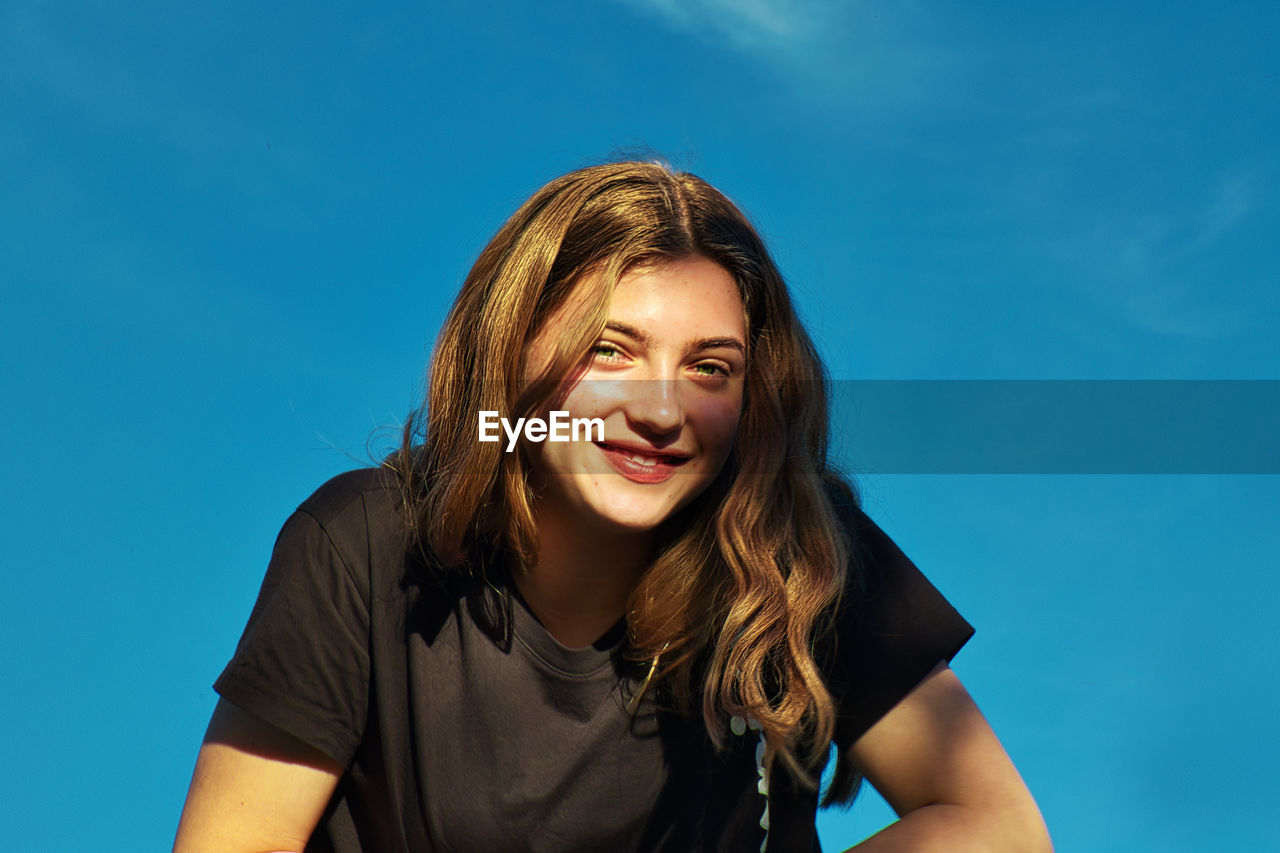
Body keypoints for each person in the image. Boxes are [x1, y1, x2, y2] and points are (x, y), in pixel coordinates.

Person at [173, 161, 1052, 852]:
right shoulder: (360, 543)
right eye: (611, 349)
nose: (661, 411)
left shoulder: (800, 547)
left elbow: (997, 825)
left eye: (710, 369)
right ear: (511, 351)